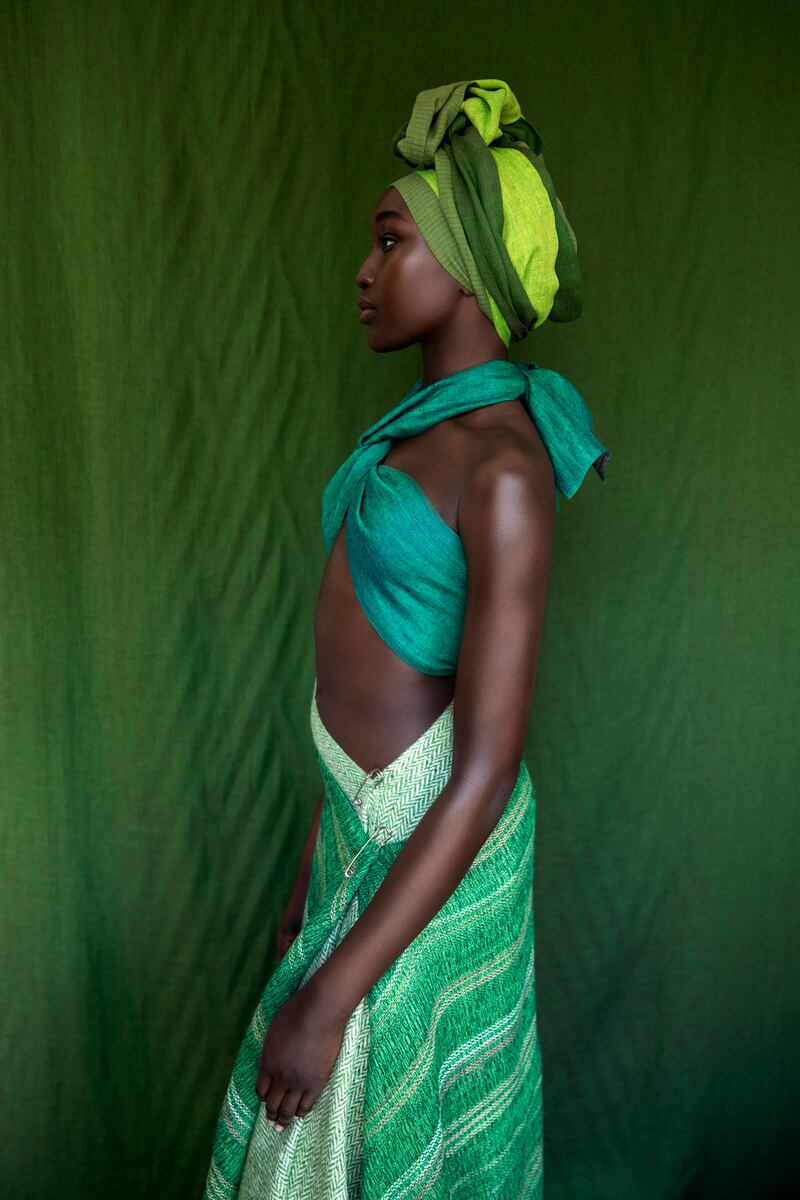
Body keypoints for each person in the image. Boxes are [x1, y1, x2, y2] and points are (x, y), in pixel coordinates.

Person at [202, 77, 610, 1200]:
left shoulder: (504, 469)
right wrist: (307, 870)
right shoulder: (406, 446)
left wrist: (330, 994)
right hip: (352, 837)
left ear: (468, 263)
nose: (364, 270)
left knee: (374, 1131)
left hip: (439, 845)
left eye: (390, 242)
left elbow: (478, 774)